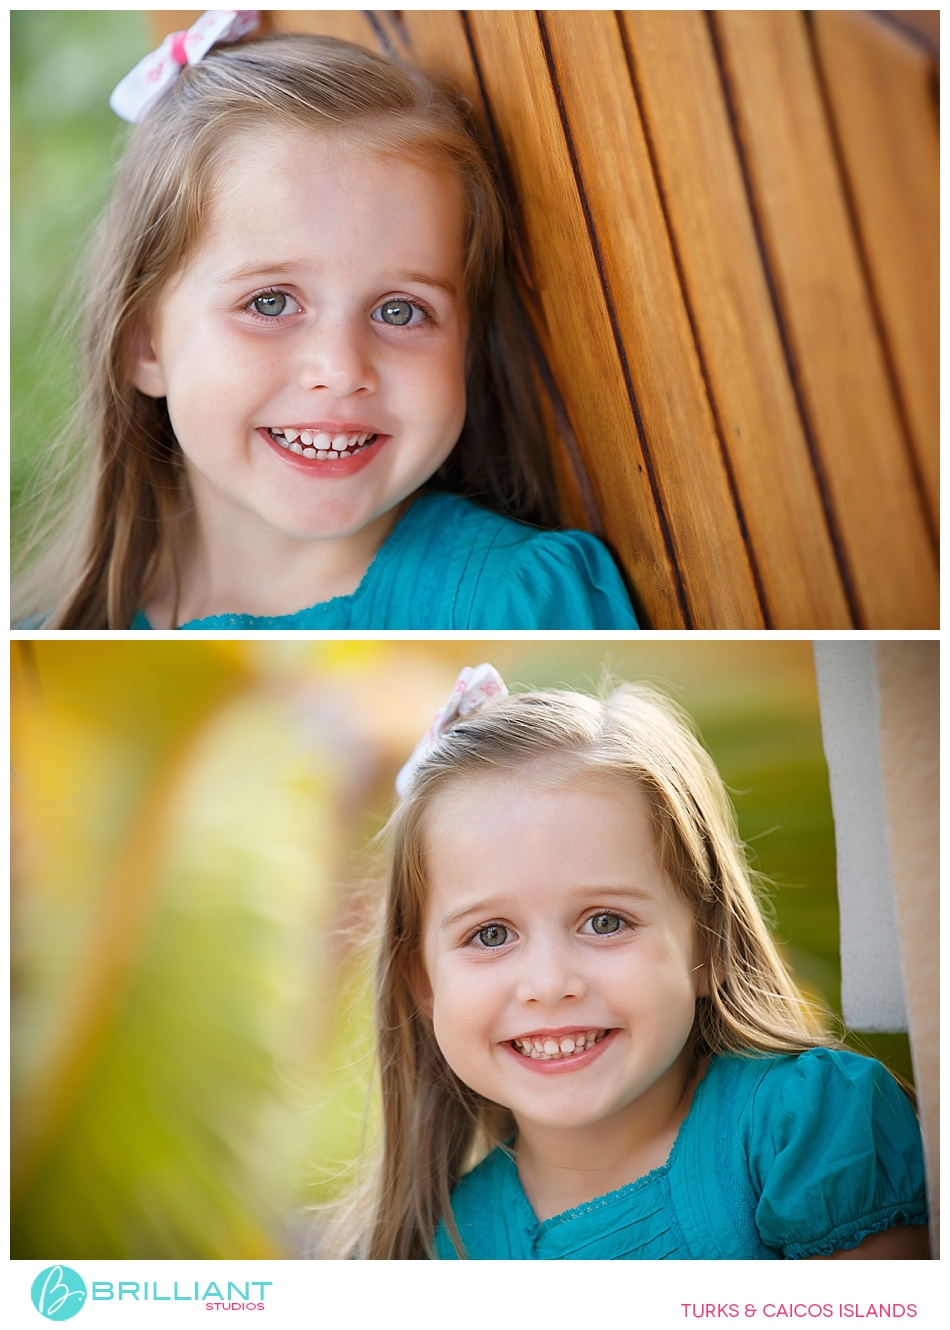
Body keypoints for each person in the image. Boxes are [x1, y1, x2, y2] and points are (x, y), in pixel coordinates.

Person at [14, 12, 638, 630]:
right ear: (143, 342)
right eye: (270, 303)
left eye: (400, 311)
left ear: (467, 346)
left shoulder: (517, 606)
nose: (341, 371)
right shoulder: (52, 645)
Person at [329, 668, 928, 1259]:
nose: (549, 983)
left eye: (605, 922)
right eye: (490, 934)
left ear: (708, 943)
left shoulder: (807, 1129)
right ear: (424, 982)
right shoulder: (442, 1254)